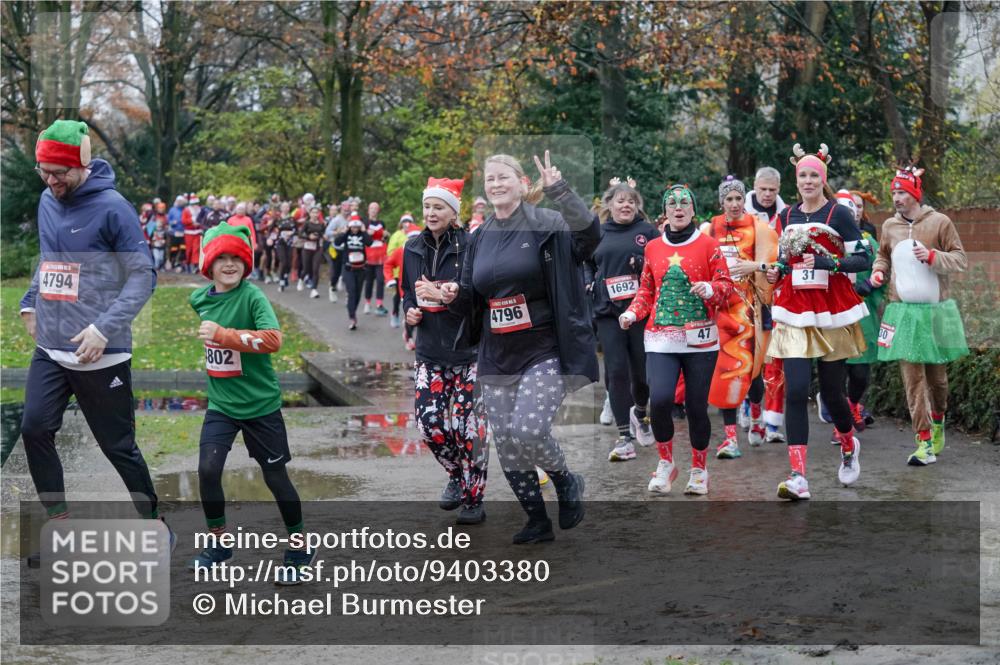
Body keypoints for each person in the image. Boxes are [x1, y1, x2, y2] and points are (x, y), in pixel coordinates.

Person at [19, 120, 172, 561]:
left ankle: (153, 524)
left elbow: (143, 276)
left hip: (101, 351)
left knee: (118, 447)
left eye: (59, 173)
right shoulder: (48, 200)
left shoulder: (113, 208)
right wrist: (30, 302)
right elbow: (50, 259)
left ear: (81, 164)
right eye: (43, 172)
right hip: (52, 345)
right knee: (34, 428)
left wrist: (104, 328)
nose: (51, 181)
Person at [438, 151, 596, 544]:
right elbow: (474, 295)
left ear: (523, 184)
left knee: (528, 430)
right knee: (507, 444)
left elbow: (590, 237)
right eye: (489, 179)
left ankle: (565, 480)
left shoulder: (547, 223)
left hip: (544, 348)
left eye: (503, 177)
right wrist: (449, 294)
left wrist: (560, 190)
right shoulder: (479, 236)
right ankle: (537, 520)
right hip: (497, 354)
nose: (495, 184)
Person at [188, 223, 313, 583]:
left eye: (236, 258)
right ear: (208, 264)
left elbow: (273, 340)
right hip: (222, 405)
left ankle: (299, 548)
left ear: (246, 262)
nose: (229, 264)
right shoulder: (200, 300)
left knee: (276, 478)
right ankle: (219, 543)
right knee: (208, 470)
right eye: (221, 258)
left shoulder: (253, 297)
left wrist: (224, 336)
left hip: (260, 406)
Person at [765, 143, 872, 500]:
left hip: (832, 310)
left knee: (831, 394)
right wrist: (771, 273)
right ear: (796, 181)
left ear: (822, 179)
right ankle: (798, 476)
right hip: (795, 310)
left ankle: (847, 443)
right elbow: (783, 261)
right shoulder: (785, 216)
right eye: (803, 175)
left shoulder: (838, 214)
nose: (808, 180)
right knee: (795, 390)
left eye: (814, 175)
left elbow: (864, 260)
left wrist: (830, 265)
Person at [620, 184, 733, 495]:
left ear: (694, 210)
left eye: (685, 203)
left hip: (700, 341)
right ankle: (666, 463)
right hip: (661, 338)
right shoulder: (654, 247)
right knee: (659, 401)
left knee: (697, 407)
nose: (679, 207)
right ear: (665, 211)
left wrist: (711, 289)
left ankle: (699, 469)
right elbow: (647, 290)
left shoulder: (708, 245)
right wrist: (632, 313)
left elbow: (726, 286)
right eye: (672, 203)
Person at [403, 178, 487, 524]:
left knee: (467, 429)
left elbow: (479, 298)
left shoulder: (470, 246)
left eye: (438, 207)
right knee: (429, 425)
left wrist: (451, 297)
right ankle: (456, 475)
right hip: (429, 350)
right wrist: (410, 312)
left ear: (454, 212)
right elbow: (407, 293)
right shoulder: (412, 247)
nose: (431, 213)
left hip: (467, 351)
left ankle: (473, 499)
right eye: (427, 207)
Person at [871, 166, 968, 465]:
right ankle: (923, 442)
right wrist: (879, 270)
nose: (896, 198)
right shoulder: (889, 226)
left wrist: (933, 257)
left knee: (937, 380)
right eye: (894, 193)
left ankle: (938, 419)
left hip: (935, 313)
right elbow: (883, 255)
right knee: (912, 379)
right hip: (902, 313)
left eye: (901, 192)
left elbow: (960, 259)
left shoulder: (940, 222)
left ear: (915, 193)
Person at [584, 177, 660, 462]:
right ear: (610, 205)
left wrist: (642, 266)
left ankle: (640, 412)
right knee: (615, 371)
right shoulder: (599, 233)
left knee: (641, 373)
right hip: (608, 312)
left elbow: (660, 265)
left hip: (640, 312)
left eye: (631, 201)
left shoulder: (648, 232)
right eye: (620, 201)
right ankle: (624, 437)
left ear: (637, 206)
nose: (626, 205)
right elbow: (586, 264)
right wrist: (588, 282)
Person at [705, 176, 778, 458]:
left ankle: (756, 413)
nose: (734, 204)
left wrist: (755, 266)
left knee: (753, 372)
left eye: (738, 198)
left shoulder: (758, 229)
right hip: (721, 312)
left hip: (752, 311)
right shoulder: (710, 228)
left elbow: (774, 265)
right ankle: (730, 439)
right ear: (721, 202)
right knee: (725, 372)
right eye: (729, 199)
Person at [333, 214, 373, 330]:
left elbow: (369, 243)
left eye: (357, 227)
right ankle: (352, 317)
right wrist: (345, 232)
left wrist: (365, 231)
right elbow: (337, 241)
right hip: (348, 268)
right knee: (352, 291)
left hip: (360, 269)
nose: (355, 229)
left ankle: (352, 310)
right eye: (353, 227)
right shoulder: (346, 235)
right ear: (350, 227)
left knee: (358, 294)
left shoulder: (362, 234)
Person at [385, 213, 418, 329]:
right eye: (405, 221)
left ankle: (408, 322)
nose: (407, 224)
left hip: (412, 273)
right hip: (397, 272)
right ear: (401, 223)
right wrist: (399, 256)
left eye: (409, 221)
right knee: (399, 296)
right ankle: (395, 313)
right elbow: (390, 253)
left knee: (410, 298)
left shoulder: (416, 233)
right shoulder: (396, 235)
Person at [363, 202, 388, 315]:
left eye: (375, 208)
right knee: (369, 281)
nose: (373, 210)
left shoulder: (381, 223)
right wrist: (366, 233)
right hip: (369, 253)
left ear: (378, 211)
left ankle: (379, 304)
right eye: (371, 208)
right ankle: (367, 303)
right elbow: (361, 236)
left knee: (380, 280)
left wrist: (386, 234)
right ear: (368, 210)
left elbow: (384, 236)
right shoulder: (364, 222)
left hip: (381, 254)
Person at [323, 202, 348, 301]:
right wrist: (337, 232)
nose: (346, 212)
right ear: (341, 210)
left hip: (347, 248)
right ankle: (332, 287)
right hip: (336, 248)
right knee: (336, 271)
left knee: (347, 269)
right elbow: (327, 232)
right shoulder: (336, 220)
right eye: (344, 210)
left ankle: (347, 291)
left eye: (348, 211)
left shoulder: (351, 220)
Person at [300, 206, 326, 298]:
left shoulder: (321, 224)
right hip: (307, 248)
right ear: (310, 214)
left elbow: (323, 234)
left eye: (316, 213)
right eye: (313, 212)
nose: (315, 214)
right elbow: (300, 234)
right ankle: (301, 279)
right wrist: (308, 237)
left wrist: (324, 237)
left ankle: (314, 290)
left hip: (317, 248)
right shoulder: (307, 223)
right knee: (306, 268)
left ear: (319, 214)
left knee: (315, 269)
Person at [274, 202, 296, 292]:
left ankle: (286, 275)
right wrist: (270, 238)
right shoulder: (277, 219)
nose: (286, 208)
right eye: (284, 207)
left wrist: (292, 233)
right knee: (283, 261)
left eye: (287, 207)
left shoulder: (292, 218)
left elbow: (296, 230)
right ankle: (281, 280)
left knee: (289, 263)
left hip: (289, 243)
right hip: (280, 242)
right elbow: (271, 229)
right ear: (281, 208)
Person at [182, 194, 203, 275]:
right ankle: (187, 263)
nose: (196, 205)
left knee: (196, 249)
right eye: (194, 204)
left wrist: (199, 223)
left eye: (197, 203)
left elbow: (203, 219)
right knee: (189, 249)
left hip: (198, 232)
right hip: (189, 232)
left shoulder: (200, 210)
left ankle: (195, 265)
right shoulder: (186, 210)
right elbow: (184, 221)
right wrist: (192, 221)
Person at [167, 195, 188, 272]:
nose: (180, 203)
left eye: (181, 202)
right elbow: (168, 220)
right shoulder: (172, 210)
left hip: (183, 232)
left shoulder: (185, 210)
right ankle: (172, 261)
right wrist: (173, 223)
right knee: (174, 248)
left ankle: (180, 262)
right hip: (174, 232)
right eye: (179, 201)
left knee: (183, 248)